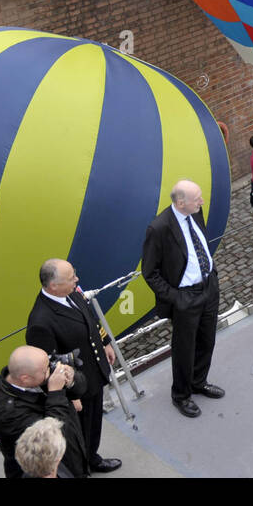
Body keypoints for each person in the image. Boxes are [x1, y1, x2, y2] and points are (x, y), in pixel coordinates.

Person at [25, 258, 122, 474]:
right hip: (76, 390)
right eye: (71, 278)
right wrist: (70, 395)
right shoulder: (41, 321)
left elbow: (91, 320)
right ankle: (82, 468)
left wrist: (104, 342)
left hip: (93, 375)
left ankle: (92, 457)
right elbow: (48, 367)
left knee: (95, 422)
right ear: (53, 286)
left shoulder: (72, 293)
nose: (76, 279)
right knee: (80, 433)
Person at [141, 179, 225, 418]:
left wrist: (212, 276)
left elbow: (201, 246)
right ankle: (181, 395)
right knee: (184, 349)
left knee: (207, 340)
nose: (202, 201)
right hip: (185, 298)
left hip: (209, 288)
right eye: (197, 198)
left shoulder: (196, 212)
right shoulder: (159, 229)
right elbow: (150, 272)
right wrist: (177, 298)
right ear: (180, 203)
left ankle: (199, 382)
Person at [0, 345, 89, 478]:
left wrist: (72, 380)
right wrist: (56, 393)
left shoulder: (37, 370)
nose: (51, 372)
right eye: (46, 371)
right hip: (47, 471)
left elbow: (81, 390)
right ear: (25, 378)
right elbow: (49, 437)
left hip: (71, 457)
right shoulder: (7, 414)